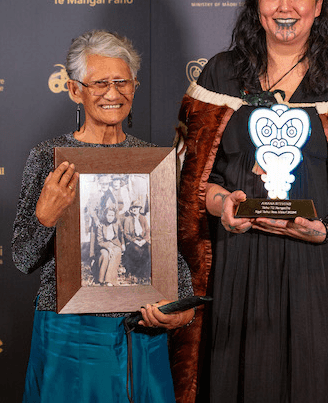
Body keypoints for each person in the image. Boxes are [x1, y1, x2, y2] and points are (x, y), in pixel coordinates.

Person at [172, 0, 328, 403]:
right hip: (237, 262)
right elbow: (188, 179)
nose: (285, 6)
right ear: (256, 2)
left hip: (321, 269)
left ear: (319, 5)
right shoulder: (219, 75)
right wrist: (222, 205)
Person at [12, 30, 195, 403]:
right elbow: (23, 258)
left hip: (141, 330)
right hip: (69, 332)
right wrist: (44, 219)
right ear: (74, 90)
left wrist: (183, 309)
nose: (113, 93)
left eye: (122, 82)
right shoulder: (49, 157)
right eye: (100, 83)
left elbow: (167, 249)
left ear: (135, 87)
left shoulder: (152, 160)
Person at [94, 206, 125, 285]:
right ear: (105, 215)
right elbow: (100, 241)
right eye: (109, 215)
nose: (110, 217)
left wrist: (123, 244)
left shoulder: (116, 224)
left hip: (115, 244)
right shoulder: (101, 225)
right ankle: (101, 279)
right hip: (104, 245)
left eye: (112, 215)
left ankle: (109, 280)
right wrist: (108, 248)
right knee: (105, 254)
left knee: (117, 252)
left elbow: (121, 234)